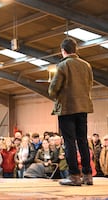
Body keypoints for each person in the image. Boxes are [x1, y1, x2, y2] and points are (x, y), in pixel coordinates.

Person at [48, 37, 94, 186]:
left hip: (67, 108)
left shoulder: (63, 65)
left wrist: (56, 93)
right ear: (76, 50)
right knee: (82, 141)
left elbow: (53, 89)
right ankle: (88, 175)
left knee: (69, 142)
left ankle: (74, 175)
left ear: (63, 51)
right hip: (83, 107)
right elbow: (89, 84)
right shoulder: (86, 65)